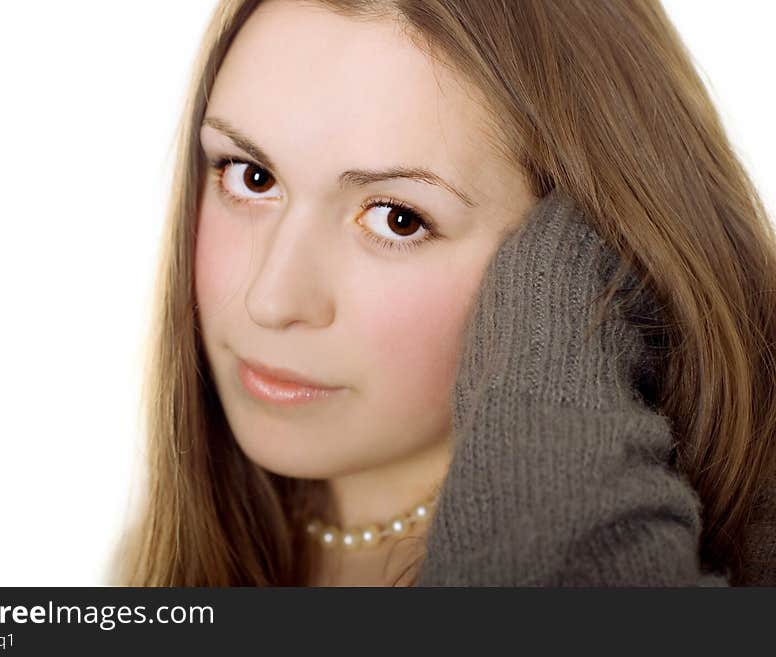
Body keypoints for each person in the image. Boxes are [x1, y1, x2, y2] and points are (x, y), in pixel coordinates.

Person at [108, 0, 776, 586]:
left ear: (579, 251)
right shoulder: (154, 555)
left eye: (397, 218)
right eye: (251, 177)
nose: (271, 300)